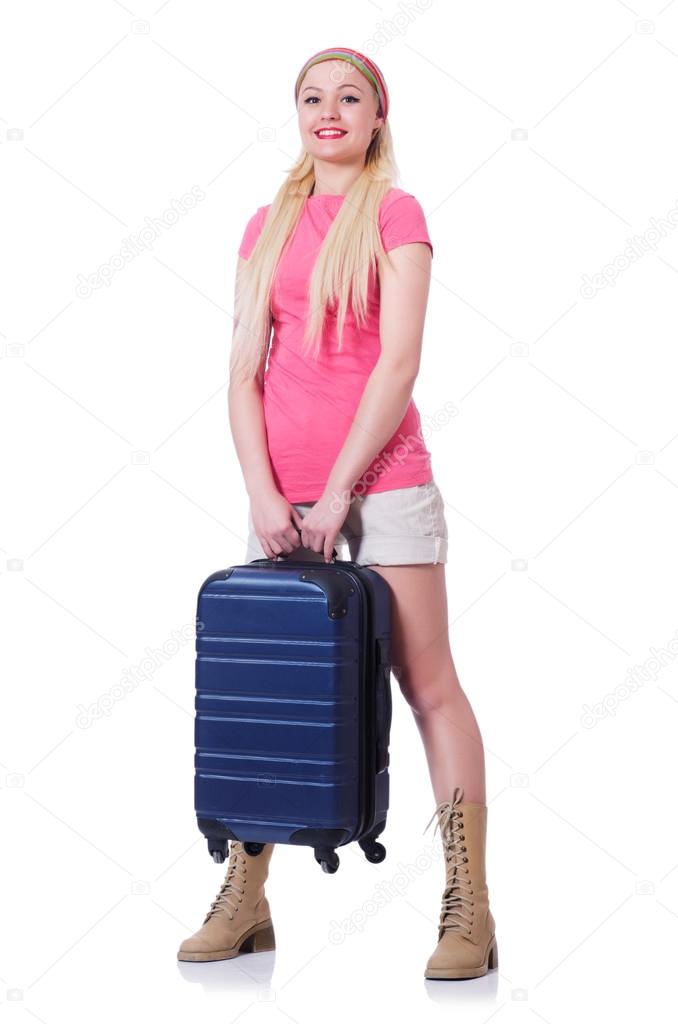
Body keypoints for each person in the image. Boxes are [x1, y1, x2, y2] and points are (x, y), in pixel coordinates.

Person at [177, 46, 497, 980]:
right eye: (313, 98)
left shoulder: (396, 214)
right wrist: (264, 493)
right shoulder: (263, 227)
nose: (329, 111)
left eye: (348, 97)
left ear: (375, 117)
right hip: (282, 502)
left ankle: (468, 907)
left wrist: (343, 491)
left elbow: (398, 363)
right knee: (268, 690)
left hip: (385, 486)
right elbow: (241, 372)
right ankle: (247, 895)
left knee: (428, 684)